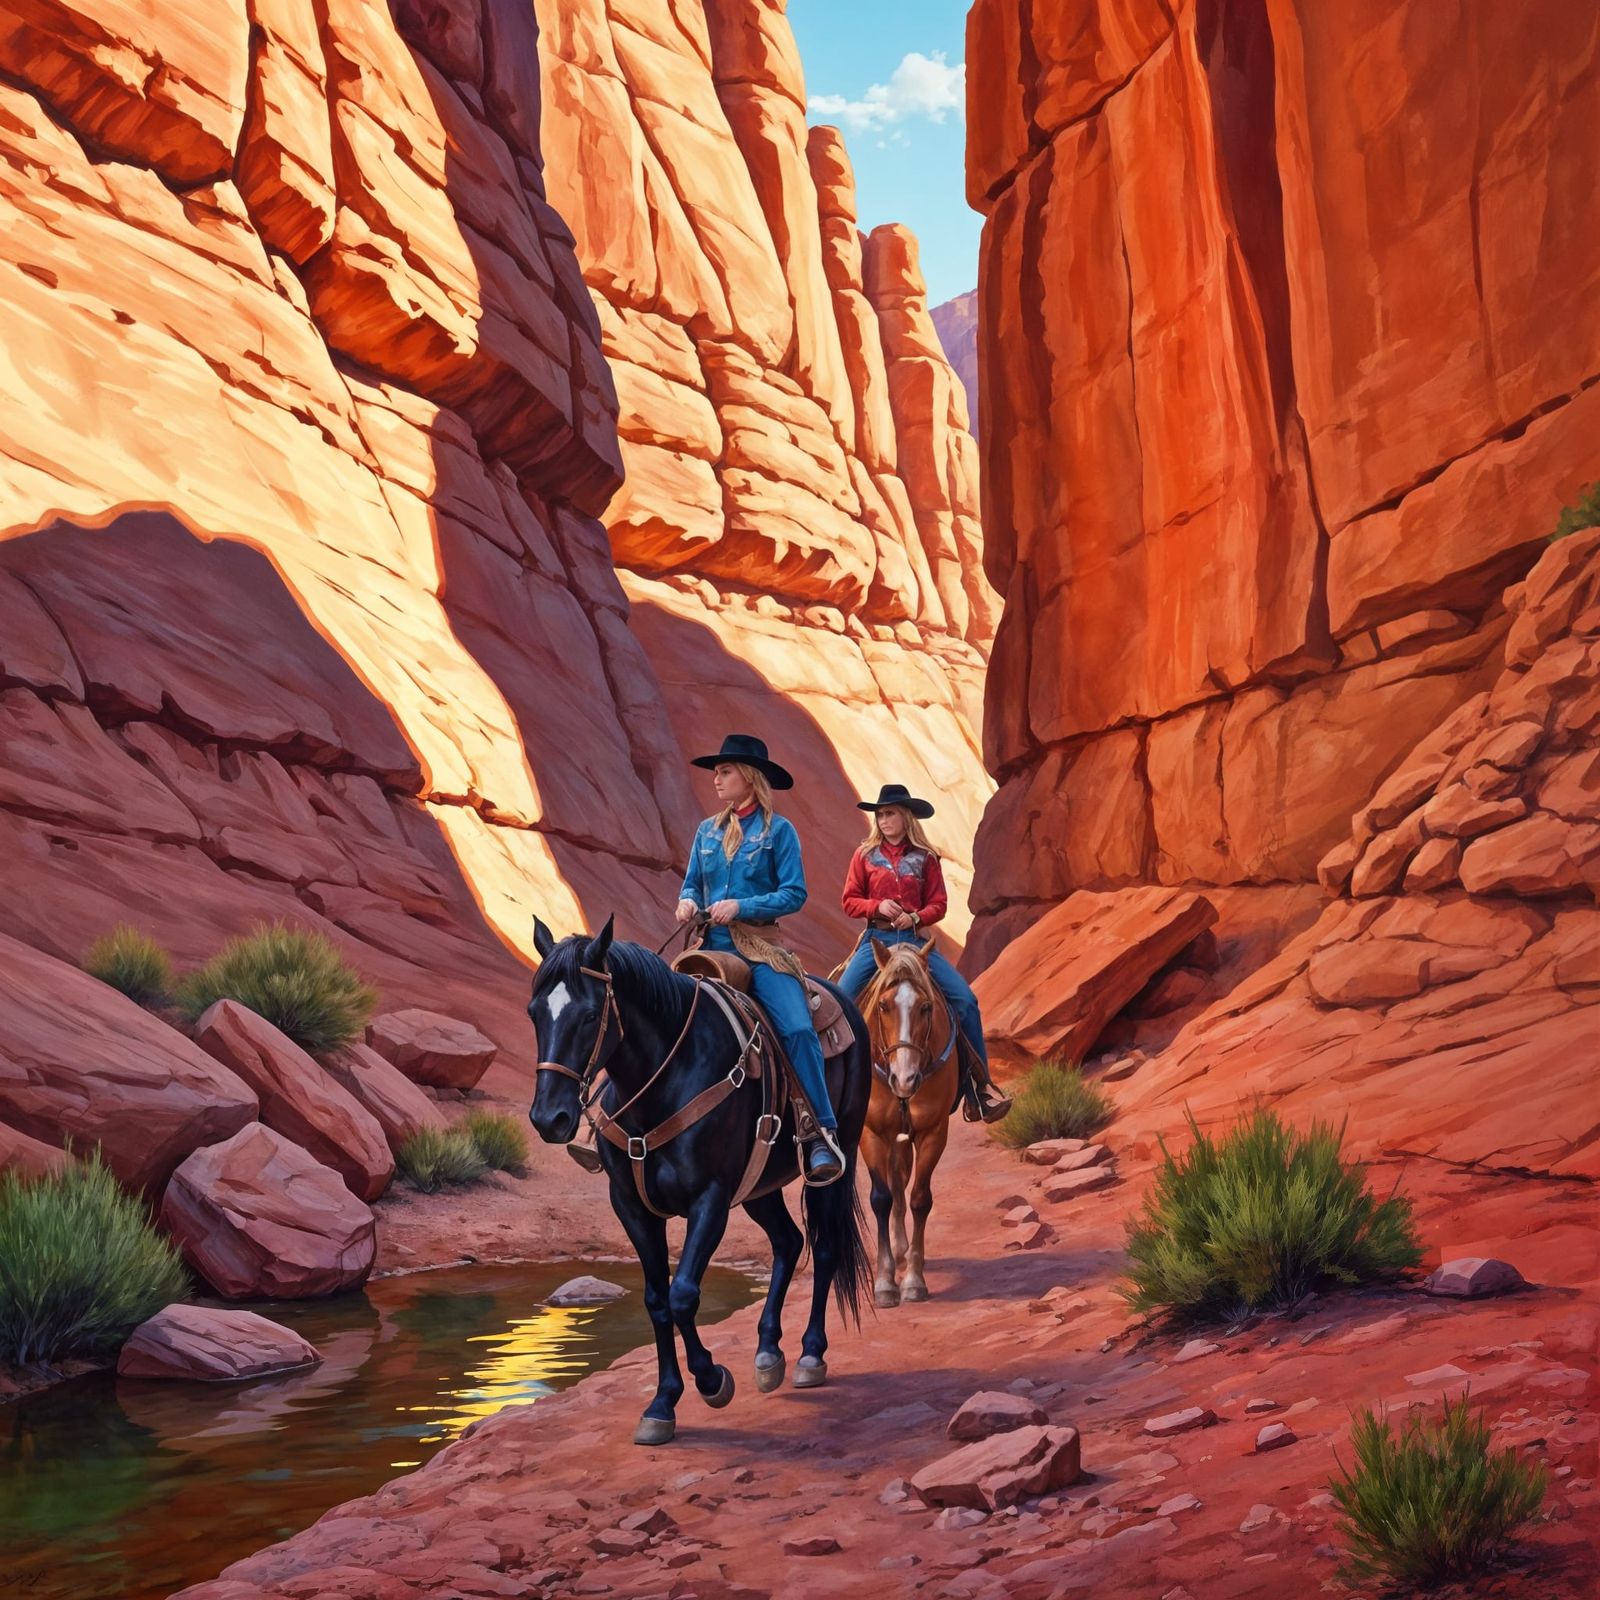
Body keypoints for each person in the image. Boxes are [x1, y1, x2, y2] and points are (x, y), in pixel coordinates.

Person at [676, 733, 846, 1186]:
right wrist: (688, 902)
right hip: (709, 947)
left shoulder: (779, 831)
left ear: (749, 779)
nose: (716, 778)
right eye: (717, 771)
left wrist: (743, 906)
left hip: (758, 950)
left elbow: (795, 893)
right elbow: (692, 881)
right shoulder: (706, 831)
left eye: (725, 770)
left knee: (795, 1027)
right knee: (653, 1009)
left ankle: (817, 1133)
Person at [837, 783, 1011, 1123]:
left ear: (905, 816)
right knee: (841, 1001)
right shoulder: (864, 855)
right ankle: (833, 1089)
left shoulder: (925, 857)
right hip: (877, 942)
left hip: (916, 943)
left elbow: (939, 904)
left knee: (965, 1001)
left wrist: (915, 916)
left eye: (889, 813)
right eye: (880, 814)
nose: (883, 820)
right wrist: (877, 905)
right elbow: (849, 901)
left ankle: (981, 1087)